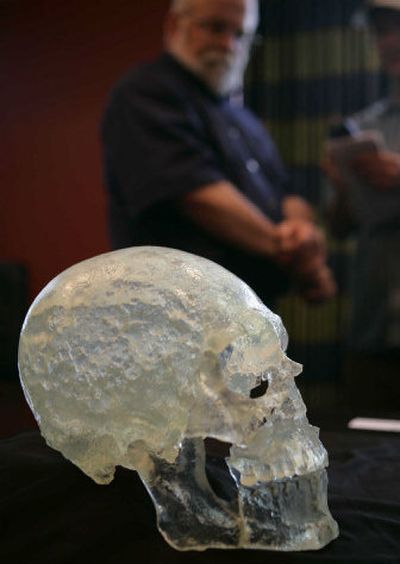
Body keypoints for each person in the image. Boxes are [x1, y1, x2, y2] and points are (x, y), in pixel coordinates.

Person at [102, 0, 336, 308]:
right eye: (215, 28)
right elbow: (197, 195)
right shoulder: (147, 92)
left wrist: (304, 237)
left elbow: (286, 195)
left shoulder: (244, 119)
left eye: (241, 35)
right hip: (176, 316)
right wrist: (290, 252)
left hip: (250, 316)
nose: (228, 44)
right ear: (175, 25)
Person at [322, 0, 400, 408]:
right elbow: (337, 229)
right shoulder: (363, 127)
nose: (389, 41)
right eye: (381, 31)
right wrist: (341, 187)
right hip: (370, 329)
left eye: (397, 27)